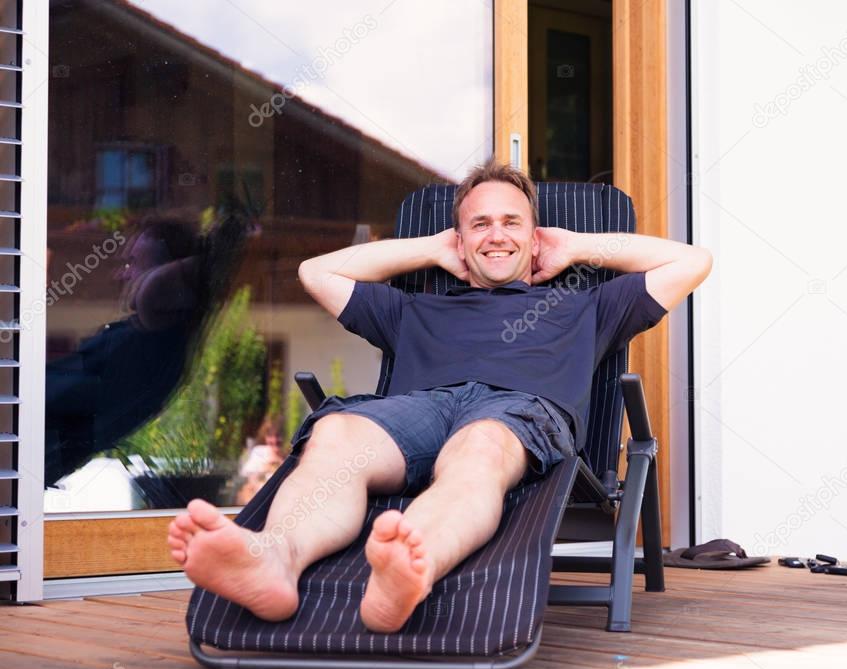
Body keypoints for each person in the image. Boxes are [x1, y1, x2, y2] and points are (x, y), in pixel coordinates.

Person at [166, 159, 712, 633]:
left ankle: (408, 565)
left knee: (480, 446)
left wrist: (575, 246)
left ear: (535, 234)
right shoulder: (411, 311)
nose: (496, 235)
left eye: (511, 223)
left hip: (518, 414)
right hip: (420, 413)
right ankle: (274, 560)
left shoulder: (586, 306)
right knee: (337, 431)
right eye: (479, 224)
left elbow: (692, 261)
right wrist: (431, 249)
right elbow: (317, 272)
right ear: (460, 239)